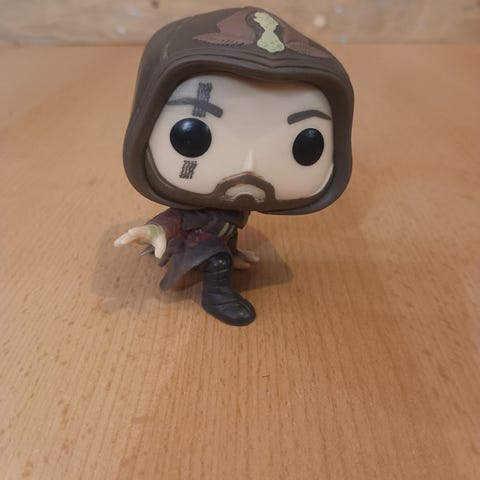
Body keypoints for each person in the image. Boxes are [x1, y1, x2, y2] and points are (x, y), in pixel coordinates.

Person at [114, 7, 354, 326]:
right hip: (202, 239)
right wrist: (153, 231)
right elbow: (175, 218)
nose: (249, 166)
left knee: (225, 245)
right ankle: (217, 296)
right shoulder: (195, 207)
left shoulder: (238, 202)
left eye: (305, 146)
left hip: (219, 236)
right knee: (217, 264)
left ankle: (229, 254)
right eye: (192, 136)